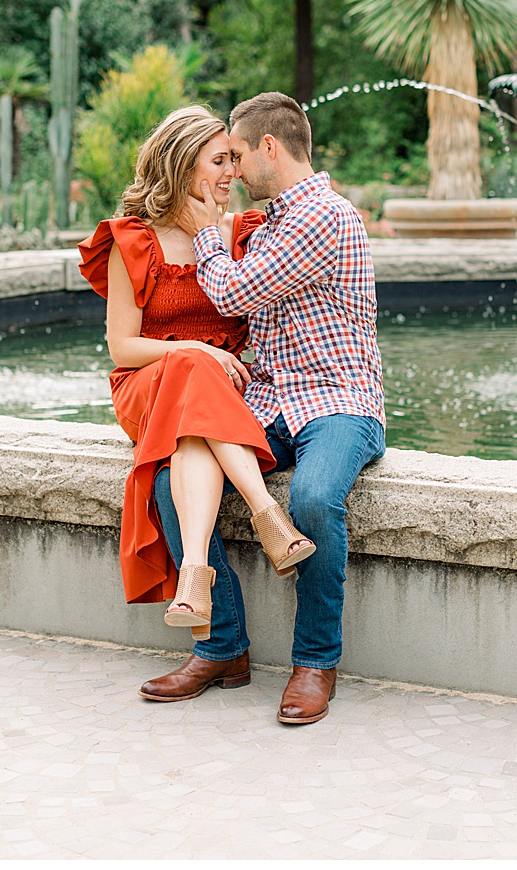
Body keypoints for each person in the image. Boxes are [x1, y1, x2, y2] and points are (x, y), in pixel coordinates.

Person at [139, 91, 386, 725]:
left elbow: (232, 294)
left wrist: (206, 236)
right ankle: (223, 648)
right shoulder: (274, 220)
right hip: (272, 401)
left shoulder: (324, 217)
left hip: (340, 404)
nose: (234, 171)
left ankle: (315, 662)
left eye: (240, 155)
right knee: (170, 484)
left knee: (311, 500)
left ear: (269, 147)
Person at [78, 106, 317, 652]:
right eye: (219, 160)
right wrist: (190, 347)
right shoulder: (133, 241)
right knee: (193, 366)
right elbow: (122, 347)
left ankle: (193, 578)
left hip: (220, 399)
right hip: (149, 384)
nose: (232, 170)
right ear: (185, 168)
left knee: (193, 422)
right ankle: (268, 515)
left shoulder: (243, 233)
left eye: (235, 157)